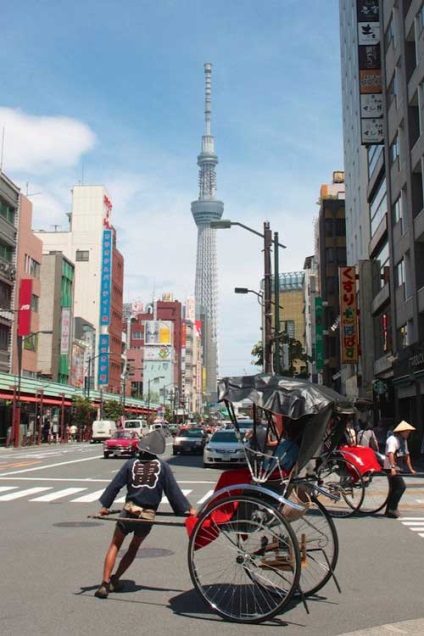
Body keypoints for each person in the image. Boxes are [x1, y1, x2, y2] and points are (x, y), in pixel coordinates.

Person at [94, 430, 196, 599]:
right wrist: (187, 509)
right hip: (147, 516)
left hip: (128, 511)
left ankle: (104, 583)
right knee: (133, 547)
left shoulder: (130, 464)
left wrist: (105, 506)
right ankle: (115, 579)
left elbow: (115, 485)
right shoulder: (163, 466)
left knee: (115, 544)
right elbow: (173, 492)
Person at [384, 420, 416, 518]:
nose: (408, 433)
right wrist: (392, 467)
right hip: (390, 466)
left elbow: (407, 455)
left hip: (398, 466)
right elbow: (390, 453)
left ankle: (389, 510)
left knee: (394, 488)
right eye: (407, 431)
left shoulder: (403, 440)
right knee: (401, 487)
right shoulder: (392, 439)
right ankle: (392, 508)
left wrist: (411, 469)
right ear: (401, 431)